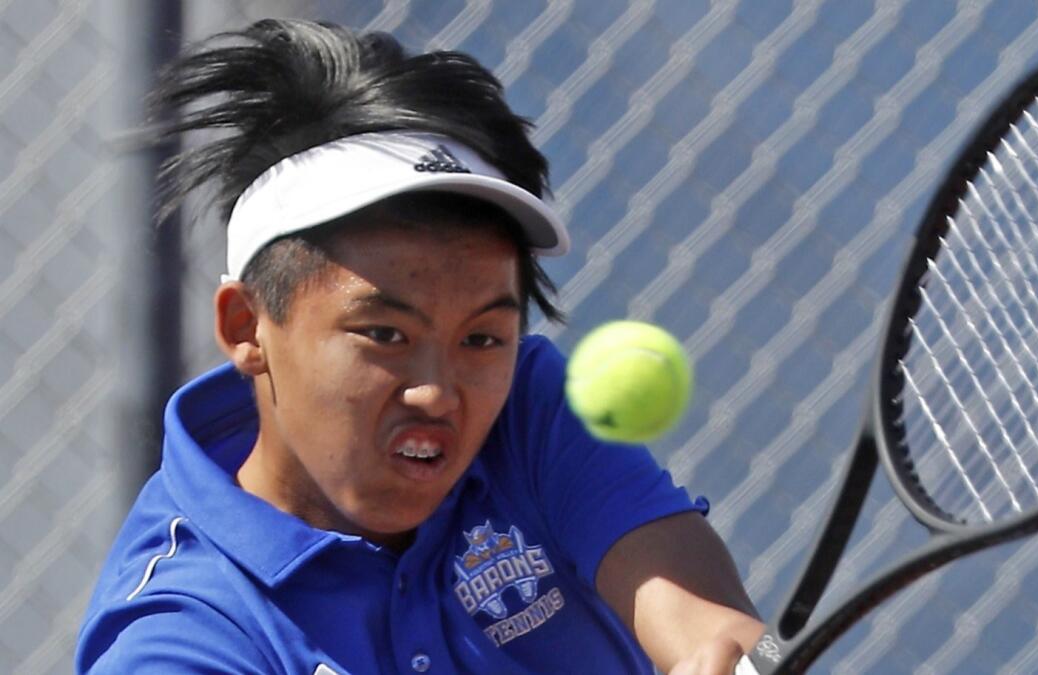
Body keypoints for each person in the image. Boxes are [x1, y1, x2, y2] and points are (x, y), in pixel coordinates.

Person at [76, 19, 762, 674]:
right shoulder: (177, 633)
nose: (437, 390)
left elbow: (709, 632)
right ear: (246, 328)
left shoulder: (531, 409)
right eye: (385, 334)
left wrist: (727, 654)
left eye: (482, 337)